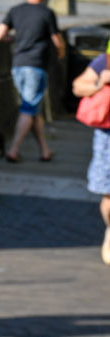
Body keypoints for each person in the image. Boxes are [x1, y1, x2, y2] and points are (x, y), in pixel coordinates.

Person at [0, 0, 65, 162]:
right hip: (36, 66)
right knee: (28, 108)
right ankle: (13, 150)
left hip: (18, 65)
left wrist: (15, 39)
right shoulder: (47, 13)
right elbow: (57, 41)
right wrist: (61, 53)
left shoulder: (15, 10)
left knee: (32, 108)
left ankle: (44, 151)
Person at [70, 37, 110, 263]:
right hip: (107, 138)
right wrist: (100, 83)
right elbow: (77, 86)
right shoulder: (104, 62)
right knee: (108, 196)